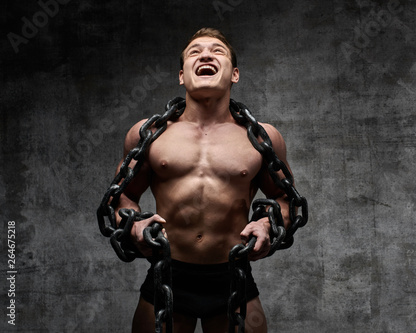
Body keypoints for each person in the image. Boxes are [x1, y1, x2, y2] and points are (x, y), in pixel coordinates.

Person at [113, 28, 294, 333]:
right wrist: (133, 224)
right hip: (168, 274)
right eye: (195, 52)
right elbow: (120, 196)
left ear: (234, 74)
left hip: (232, 276)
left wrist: (266, 224)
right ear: (182, 76)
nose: (206, 54)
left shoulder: (262, 138)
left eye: (217, 51)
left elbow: (286, 199)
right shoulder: (147, 134)